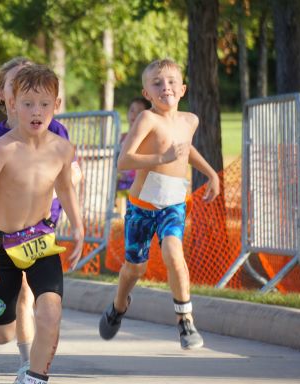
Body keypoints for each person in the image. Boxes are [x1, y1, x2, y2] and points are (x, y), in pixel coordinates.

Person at [0, 64, 85, 384]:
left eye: (45, 104)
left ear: (56, 106)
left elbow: (65, 188)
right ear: (12, 105)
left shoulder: (61, 147)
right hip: (0, 245)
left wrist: (78, 224)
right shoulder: (2, 147)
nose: (37, 112)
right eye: (29, 104)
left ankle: (35, 377)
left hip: (40, 240)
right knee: (0, 334)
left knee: (50, 311)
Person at [98, 58, 220, 350]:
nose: (165, 87)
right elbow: (123, 161)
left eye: (171, 82)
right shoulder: (147, 120)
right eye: (157, 83)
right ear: (147, 94)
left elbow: (185, 148)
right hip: (143, 206)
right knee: (134, 269)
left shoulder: (190, 120)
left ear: (182, 89)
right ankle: (118, 306)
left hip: (173, 204)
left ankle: (185, 320)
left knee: (174, 253)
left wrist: (211, 173)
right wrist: (160, 159)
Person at [114, 97, 151, 217]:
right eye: (132, 110)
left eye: (139, 111)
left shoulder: (146, 138)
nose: (134, 114)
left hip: (139, 182)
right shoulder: (122, 137)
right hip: (121, 180)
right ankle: (118, 213)